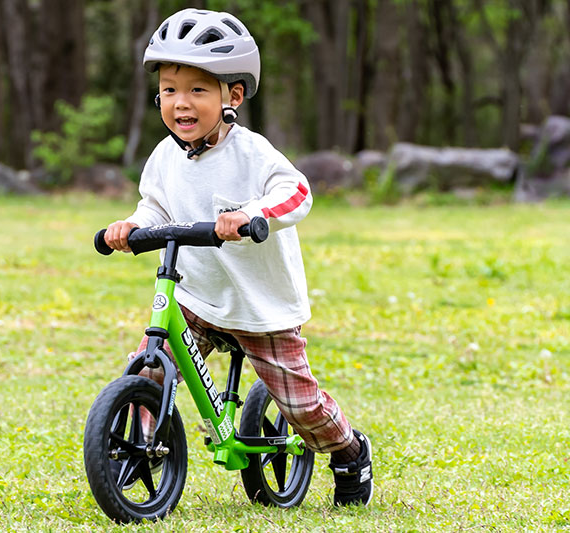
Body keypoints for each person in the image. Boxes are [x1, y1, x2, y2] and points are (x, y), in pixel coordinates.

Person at [104, 8, 373, 507]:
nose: (180, 103)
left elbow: (297, 191)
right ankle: (136, 449)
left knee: (300, 406)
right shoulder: (163, 157)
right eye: (168, 90)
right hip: (196, 296)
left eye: (197, 90)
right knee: (148, 370)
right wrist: (131, 226)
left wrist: (253, 214)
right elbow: (153, 207)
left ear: (233, 96)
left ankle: (350, 450)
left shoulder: (253, 154)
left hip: (260, 306)